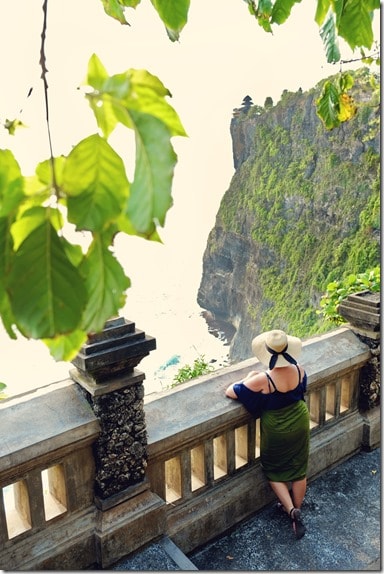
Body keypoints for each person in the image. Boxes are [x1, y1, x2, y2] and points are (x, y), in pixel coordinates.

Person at [225, 329, 310, 539]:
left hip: (277, 428)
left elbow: (231, 391)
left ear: (268, 353)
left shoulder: (265, 379)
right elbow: (301, 391)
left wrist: (249, 376)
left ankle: (290, 510)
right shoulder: (299, 369)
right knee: (299, 467)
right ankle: (297, 508)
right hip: (300, 420)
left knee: (274, 470)